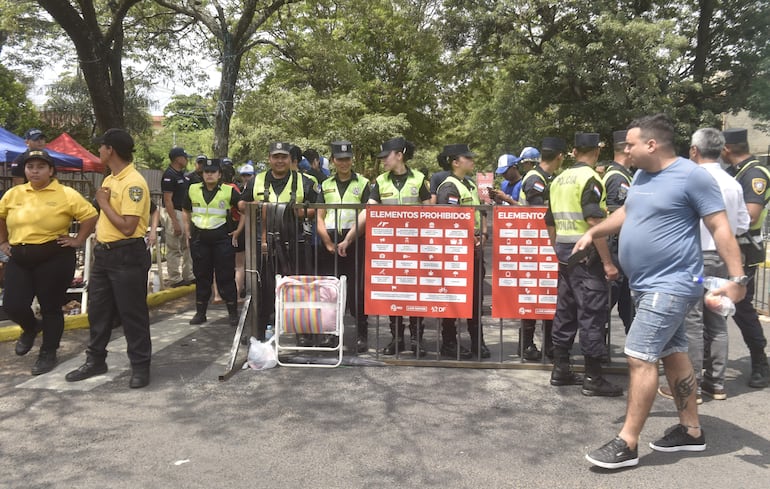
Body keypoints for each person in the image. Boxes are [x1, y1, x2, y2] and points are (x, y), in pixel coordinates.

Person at [582, 113, 746, 469]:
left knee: (640, 356)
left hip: (672, 283)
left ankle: (627, 442)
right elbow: (627, 211)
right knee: (674, 353)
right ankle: (691, 431)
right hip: (644, 284)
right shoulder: (641, 175)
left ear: (652, 144)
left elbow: (720, 228)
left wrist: (738, 279)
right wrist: (593, 233)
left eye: (630, 144)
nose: (625, 150)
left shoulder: (692, 176)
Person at [658, 128, 749, 403]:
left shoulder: (687, 179)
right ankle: (717, 383)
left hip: (692, 258)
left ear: (695, 151)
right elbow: (743, 224)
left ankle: (692, 385)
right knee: (718, 319)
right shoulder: (733, 183)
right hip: (723, 257)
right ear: (721, 150)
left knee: (692, 322)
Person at [65, 128, 153, 389]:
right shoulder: (110, 179)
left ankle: (140, 366)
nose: (98, 151)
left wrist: (102, 203)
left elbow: (127, 226)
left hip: (127, 253)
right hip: (104, 254)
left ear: (110, 149)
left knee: (132, 313)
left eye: (101, 147)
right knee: (99, 312)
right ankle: (95, 360)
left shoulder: (133, 182)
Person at [0, 150, 97, 375]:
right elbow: (1, 216)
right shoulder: (14, 193)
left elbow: (90, 216)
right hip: (20, 257)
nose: (34, 171)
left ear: (51, 170)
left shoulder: (66, 193)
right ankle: (32, 327)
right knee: (12, 305)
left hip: (54, 257)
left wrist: (78, 239)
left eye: (40, 166)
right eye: (30, 166)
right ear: (24, 170)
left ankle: (48, 352)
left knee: (50, 307)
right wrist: (3, 241)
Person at [545, 132, 622, 396]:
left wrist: (558, 250)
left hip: (565, 254)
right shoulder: (590, 178)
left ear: (575, 151)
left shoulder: (558, 180)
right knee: (591, 314)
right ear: (597, 151)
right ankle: (593, 377)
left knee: (565, 311)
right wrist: (608, 262)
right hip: (587, 253)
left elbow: (550, 222)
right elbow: (594, 223)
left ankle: (561, 368)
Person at [238, 142, 315, 341]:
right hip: (263, 243)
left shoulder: (304, 181)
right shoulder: (256, 180)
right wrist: (252, 206)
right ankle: (260, 329)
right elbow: (240, 203)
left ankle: (302, 332)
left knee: (296, 286)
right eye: (276, 157)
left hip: (294, 242)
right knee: (261, 287)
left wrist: (294, 211)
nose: (280, 161)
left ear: (291, 159)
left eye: (284, 157)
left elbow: (316, 208)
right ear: (269, 158)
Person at [368, 136, 431, 355]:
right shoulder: (380, 181)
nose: (384, 161)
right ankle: (396, 338)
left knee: (415, 292)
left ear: (399, 155)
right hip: (389, 247)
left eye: (386, 156)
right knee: (393, 293)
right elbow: (369, 211)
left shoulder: (420, 179)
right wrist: (349, 238)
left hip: (415, 247)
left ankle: (416, 339)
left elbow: (430, 211)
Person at [722, 127, 770, 388]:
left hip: (744, 251)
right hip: (726, 248)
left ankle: (760, 361)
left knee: (742, 308)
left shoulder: (755, 173)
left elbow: (750, 215)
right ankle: (708, 361)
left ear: (727, 148)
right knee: (712, 305)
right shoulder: (734, 173)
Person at [436, 143, 490, 359]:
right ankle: (449, 343)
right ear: (455, 162)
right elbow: (449, 221)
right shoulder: (448, 187)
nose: (471, 160)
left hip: (473, 250)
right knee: (454, 298)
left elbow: (480, 213)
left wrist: (483, 235)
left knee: (476, 298)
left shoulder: (468, 184)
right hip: (456, 253)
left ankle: (478, 342)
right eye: (466, 157)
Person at [317, 141, 370, 352]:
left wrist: (349, 237)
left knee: (357, 288)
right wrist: (327, 242)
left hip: (356, 238)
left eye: (347, 159)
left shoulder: (364, 183)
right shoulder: (325, 184)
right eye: (339, 159)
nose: (344, 163)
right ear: (333, 161)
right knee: (331, 289)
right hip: (330, 239)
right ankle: (331, 334)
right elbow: (319, 216)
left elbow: (366, 214)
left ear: (352, 160)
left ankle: (362, 334)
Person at [518, 137, 565, 361]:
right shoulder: (535, 179)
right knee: (532, 297)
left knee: (548, 297)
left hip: (544, 244)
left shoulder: (547, 178)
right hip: (533, 245)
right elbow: (539, 213)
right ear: (559, 157)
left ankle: (549, 344)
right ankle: (527, 344)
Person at [183, 159, 243, 327]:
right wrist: (188, 232)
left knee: (225, 276)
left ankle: (232, 314)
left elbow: (244, 209)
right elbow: (186, 210)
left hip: (222, 239)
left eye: (213, 171)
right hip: (200, 239)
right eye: (206, 171)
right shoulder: (193, 189)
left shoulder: (228, 191)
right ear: (202, 173)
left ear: (219, 174)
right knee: (202, 277)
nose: (209, 174)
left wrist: (238, 230)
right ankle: (200, 313)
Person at [602, 130, 635, 334]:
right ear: (626, 148)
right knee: (608, 300)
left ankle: (636, 346)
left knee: (627, 304)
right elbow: (616, 214)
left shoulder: (624, 175)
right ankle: (595, 347)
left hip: (623, 249)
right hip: (616, 248)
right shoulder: (617, 178)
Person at [161, 147, 195, 288]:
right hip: (174, 211)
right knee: (174, 247)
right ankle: (174, 278)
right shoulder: (169, 175)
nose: (187, 160)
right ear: (177, 158)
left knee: (188, 245)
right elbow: (168, 200)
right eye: (185, 157)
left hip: (184, 212)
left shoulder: (181, 175)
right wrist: (174, 221)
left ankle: (189, 274)